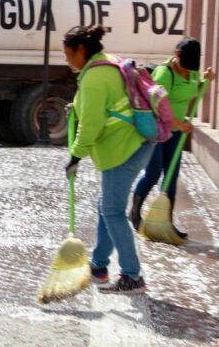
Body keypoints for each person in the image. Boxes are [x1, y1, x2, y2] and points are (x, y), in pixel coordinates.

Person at [63, 24, 155, 295]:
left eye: (69, 54)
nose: (67, 60)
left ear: (81, 49)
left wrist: (75, 155)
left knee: (113, 212)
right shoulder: (109, 62)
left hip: (121, 150)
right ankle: (99, 266)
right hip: (136, 143)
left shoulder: (94, 77)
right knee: (106, 206)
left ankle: (132, 276)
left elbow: (91, 124)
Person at [129, 37, 213, 237]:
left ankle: (165, 222)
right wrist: (178, 124)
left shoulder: (191, 72)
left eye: (191, 68)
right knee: (154, 173)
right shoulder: (164, 74)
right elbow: (155, 105)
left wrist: (206, 81)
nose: (187, 72)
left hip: (176, 134)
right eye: (184, 67)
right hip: (158, 131)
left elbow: (194, 91)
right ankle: (134, 212)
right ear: (176, 54)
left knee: (172, 176)